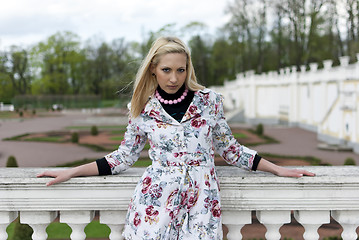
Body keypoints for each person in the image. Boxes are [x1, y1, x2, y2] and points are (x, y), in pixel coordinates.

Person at [37, 36, 315, 240]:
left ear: (188, 68)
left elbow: (230, 150)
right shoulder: (142, 109)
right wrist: (72, 172)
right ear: (153, 70)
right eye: (166, 70)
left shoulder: (209, 102)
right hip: (156, 201)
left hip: (202, 199)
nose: (174, 78)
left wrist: (278, 169)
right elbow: (123, 157)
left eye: (180, 70)